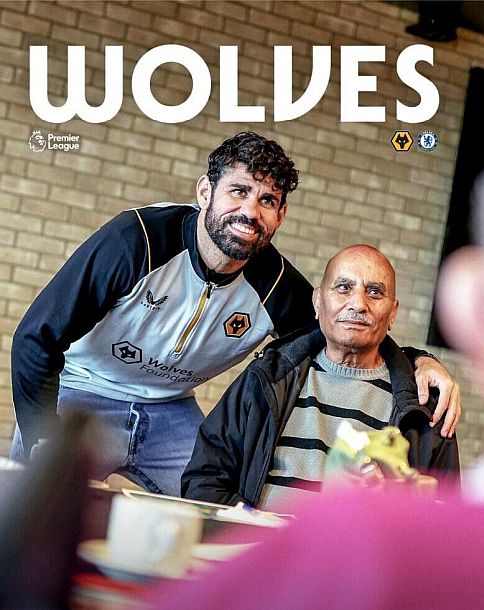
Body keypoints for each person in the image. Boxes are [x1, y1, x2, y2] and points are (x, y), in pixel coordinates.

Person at [11, 133, 459, 495]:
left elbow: (346, 327)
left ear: (280, 215)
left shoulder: (275, 284)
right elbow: (36, 337)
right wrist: (41, 435)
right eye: (239, 191)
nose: (250, 211)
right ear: (205, 192)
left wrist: (419, 360)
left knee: (204, 506)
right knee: (37, 516)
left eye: (267, 200)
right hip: (83, 390)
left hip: (170, 408)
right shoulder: (136, 240)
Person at [182, 245, 460, 508]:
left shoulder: (426, 408)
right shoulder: (268, 377)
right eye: (344, 287)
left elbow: (445, 518)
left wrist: (389, 509)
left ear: (393, 312)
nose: (358, 304)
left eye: (375, 292)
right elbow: (205, 478)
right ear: (317, 301)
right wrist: (252, 531)